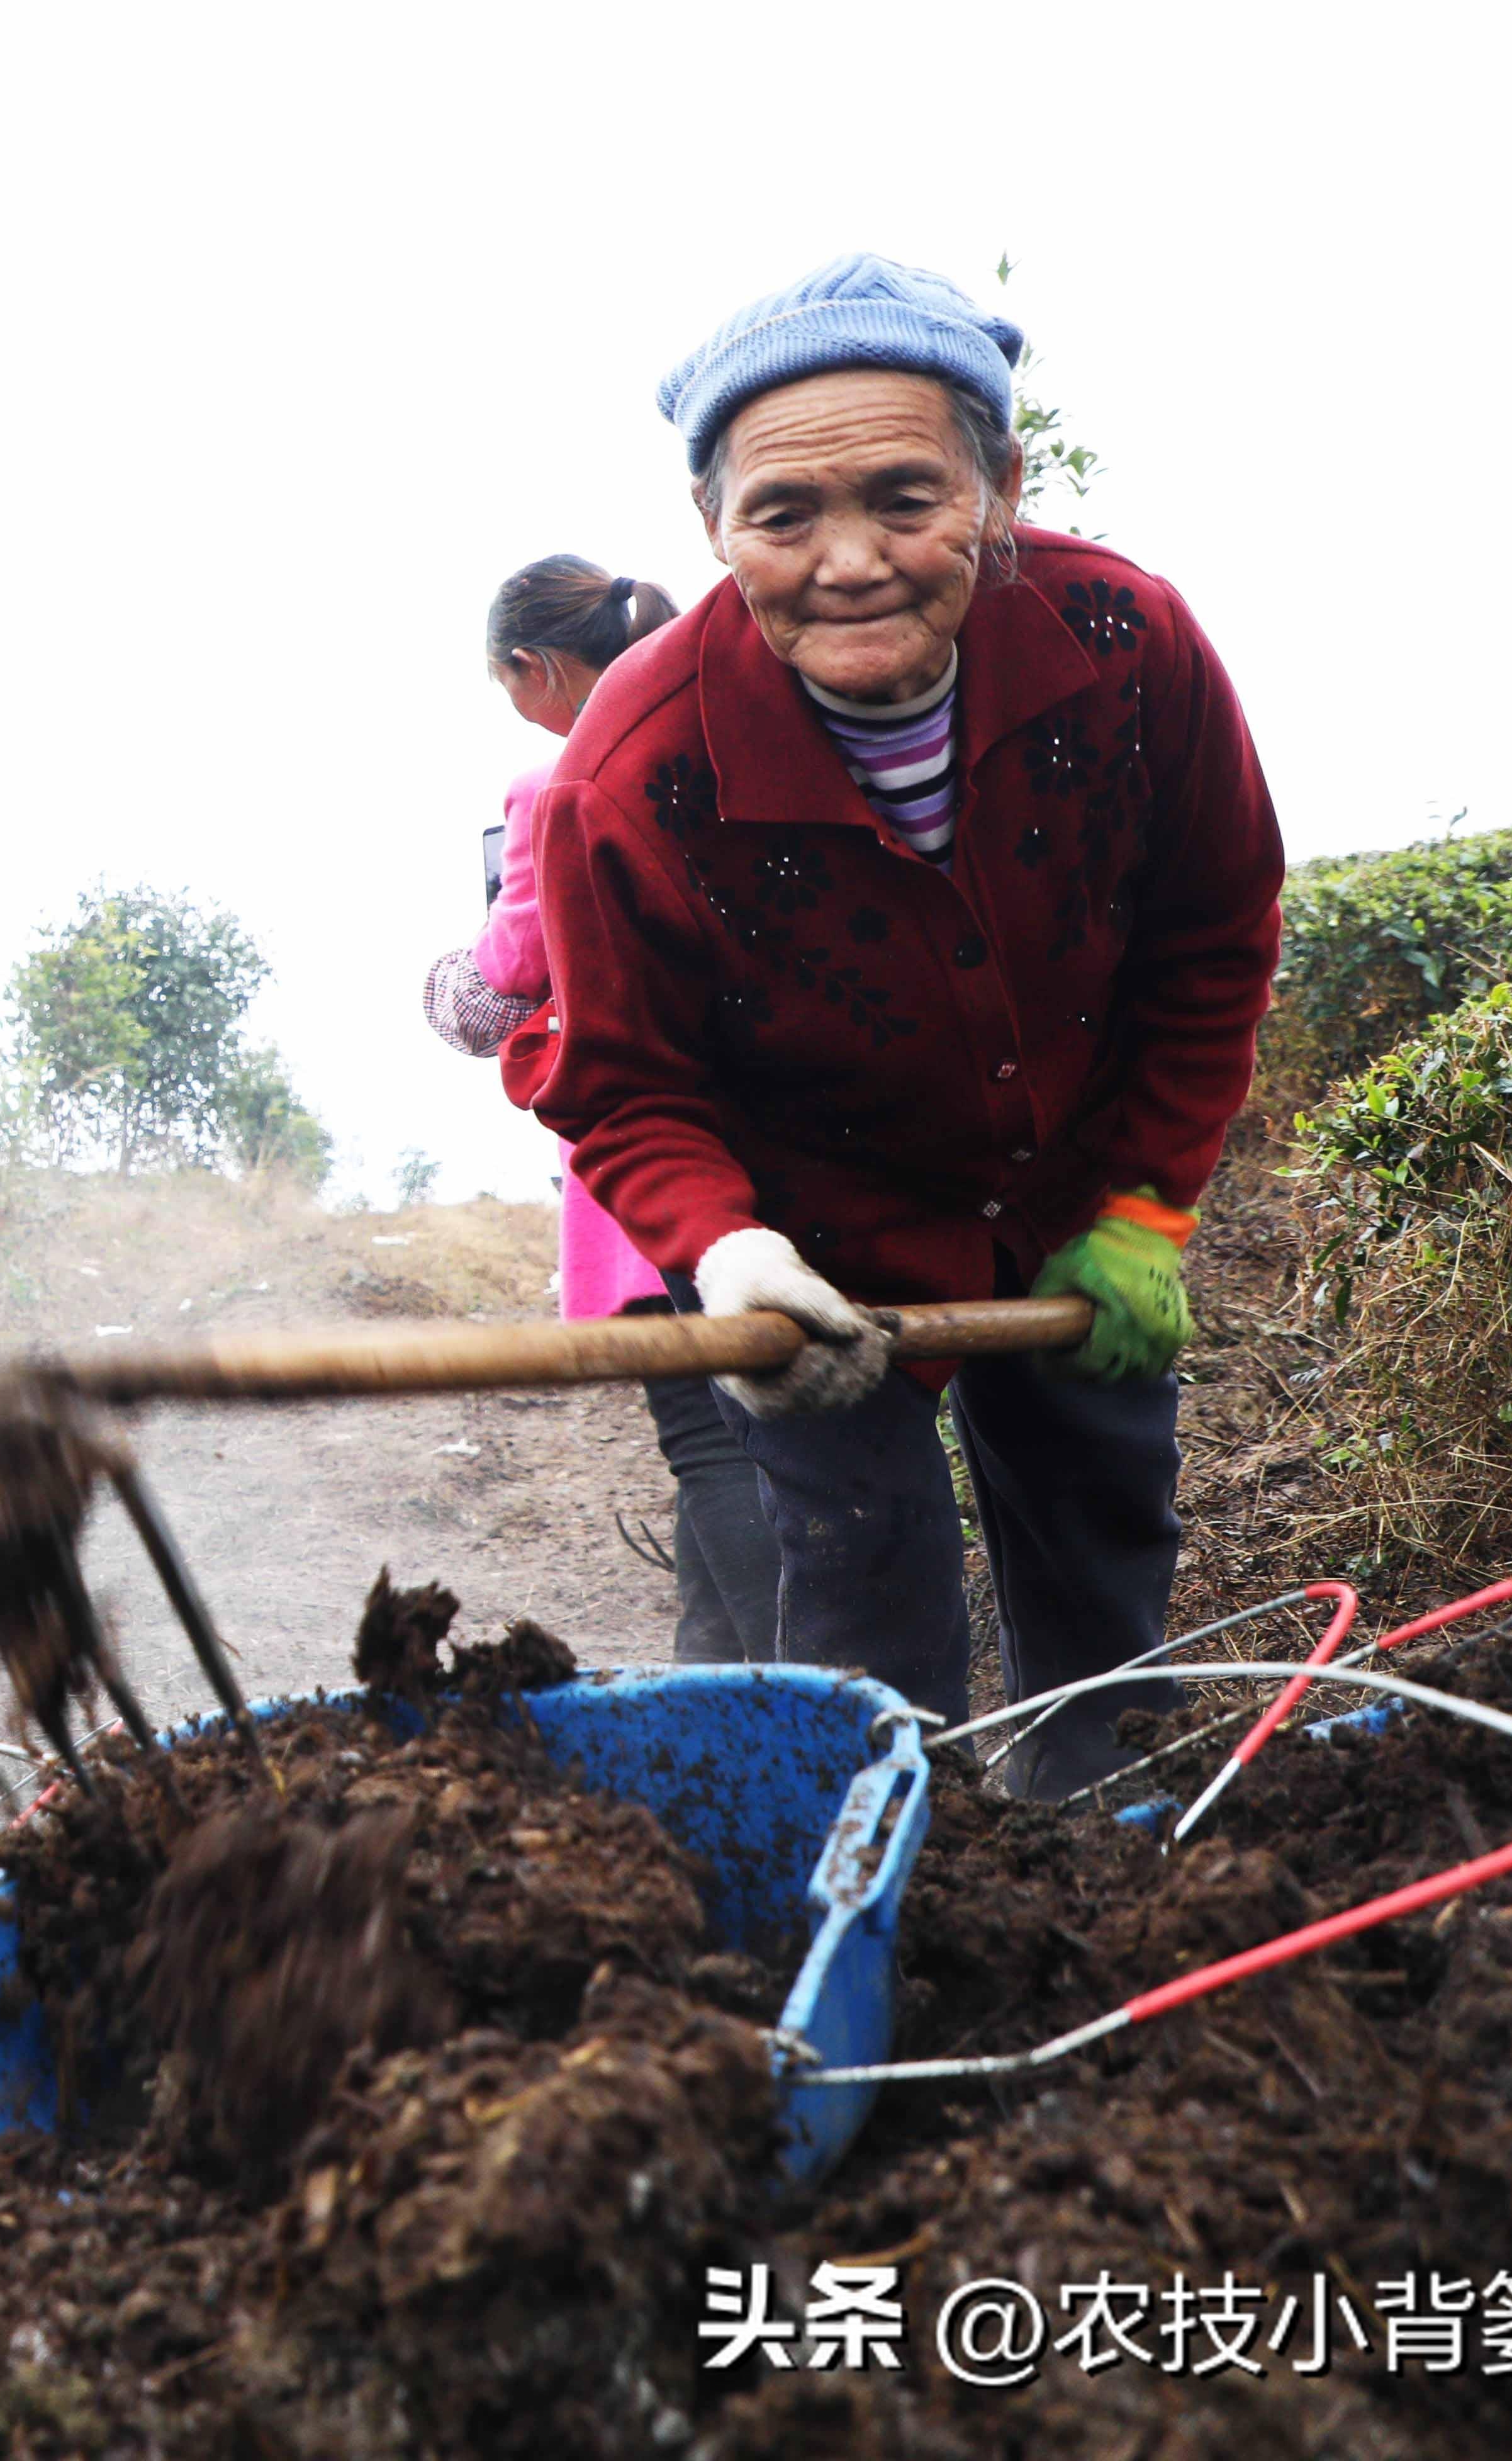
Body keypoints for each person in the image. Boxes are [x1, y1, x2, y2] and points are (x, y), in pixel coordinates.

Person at [507, 256, 1282, 1798]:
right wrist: (728, 1249)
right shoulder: (633, 768)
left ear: (999, 483)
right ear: (712, 527)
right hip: (820, 1235)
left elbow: (1210, 935)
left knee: (1101, 1535)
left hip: (1072, 1205)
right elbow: (619, 1075)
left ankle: (1104, 1826)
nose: (848, 560)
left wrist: (1141, 1206)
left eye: (907, 496)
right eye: (783, 513)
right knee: (860, 1586)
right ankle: (902, 1883)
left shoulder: (1130, 648)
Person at [422, 555, 776, 1662]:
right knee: (746, 1439)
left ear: (534, 668)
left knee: (709, 1444)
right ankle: (710, 1677)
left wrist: (441, 980)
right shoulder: (730, 745)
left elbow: (497, 989)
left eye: (505, 686)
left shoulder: (556, 785)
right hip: (766, 1134)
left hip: (648, 1149)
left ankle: (791, 1678)